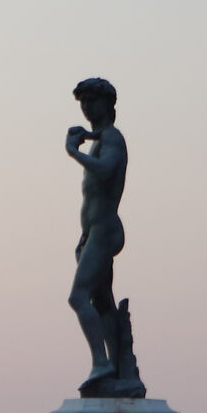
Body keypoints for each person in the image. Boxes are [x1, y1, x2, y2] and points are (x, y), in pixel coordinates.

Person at [65, 78, 129, 392]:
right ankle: (116, 367)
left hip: (105, 230)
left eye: (93, 100)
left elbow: (105, 171)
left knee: (78, 297)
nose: (88, 107)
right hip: (93, 232)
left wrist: (73, 152)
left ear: (108, 104)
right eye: (83, 102)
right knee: (101, 301)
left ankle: (101, 363)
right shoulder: (99, 139)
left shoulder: (112, 138)